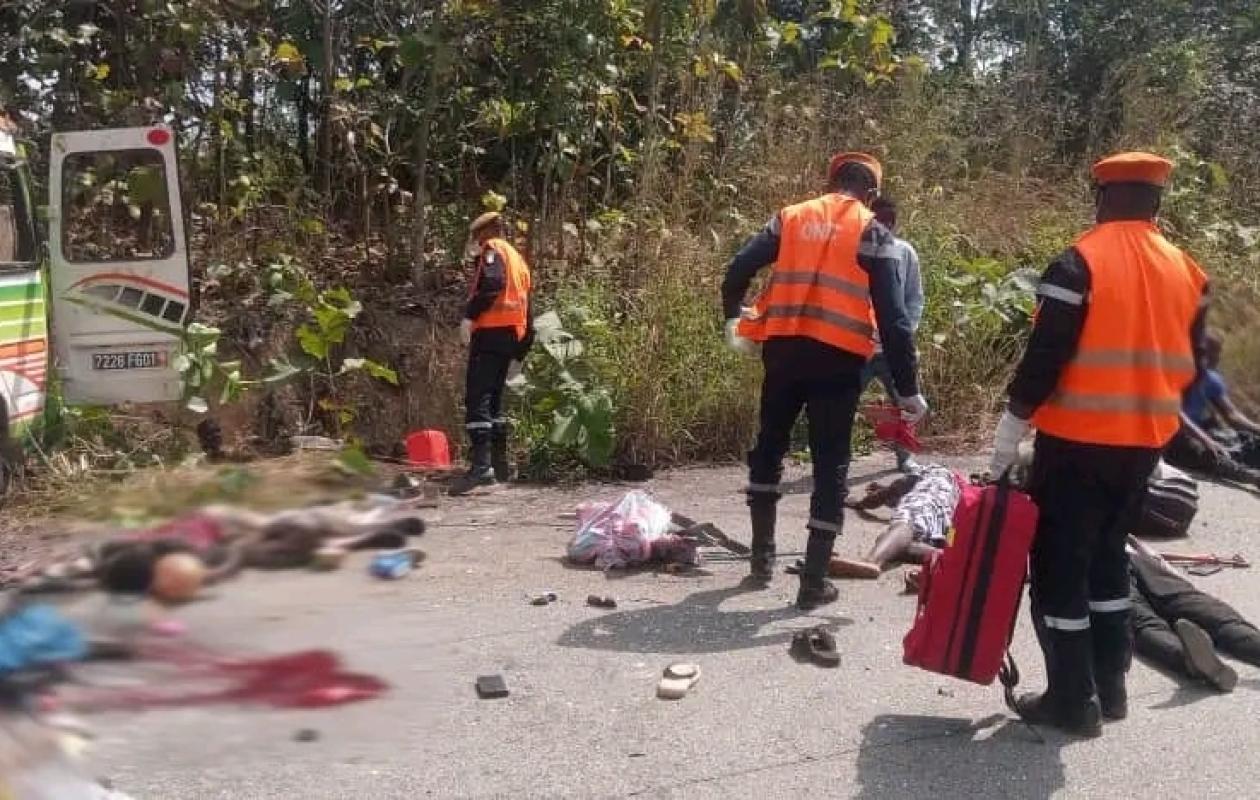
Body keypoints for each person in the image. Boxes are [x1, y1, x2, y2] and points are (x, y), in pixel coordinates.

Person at [986, 152, 1211, 737]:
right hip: (1142, 449)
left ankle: (1070, 700)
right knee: (1109, 563)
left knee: (1060, 569)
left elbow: (1045, 357)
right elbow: (1197, 360)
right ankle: (1111, 690)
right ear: (1156, 203)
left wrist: (1010, 431)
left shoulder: (1079, 261)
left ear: (1102, 197)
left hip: (1077, 444)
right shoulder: (1186, 269)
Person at [721, 152, 928, 610]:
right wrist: (908, 389)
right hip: (838, 362)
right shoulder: (873, 230)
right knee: (830, 465)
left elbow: (738, 268)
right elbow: (895, 320)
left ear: (830, 179)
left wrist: (733, 320)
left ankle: (761, 561)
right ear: (871, 193)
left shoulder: (791, 218)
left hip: (784, 353)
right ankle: (813, 581)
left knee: (769, 448)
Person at [449, 212, 534, 496]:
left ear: (484, 233)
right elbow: (527, 309)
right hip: (510, 338)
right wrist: (521, 352)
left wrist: (470, 318)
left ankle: (482, 469)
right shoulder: (518, 260)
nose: (475, 243)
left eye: (476, 237)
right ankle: (499, 467)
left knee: (479, 397)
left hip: (490, 335)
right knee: (495, 402)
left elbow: (492, 284)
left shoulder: (493, 251)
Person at [1126, 538, 1248, 693]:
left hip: (1108, 561)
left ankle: (1191, 662)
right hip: (1125, 557)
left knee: (1144, 622)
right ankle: (1197, 661)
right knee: (1195, 605)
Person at [859, 197, 925, 474]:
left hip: (893, 351)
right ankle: (830, 458)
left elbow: (914, 298)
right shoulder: (856, 250)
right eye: (879, 221)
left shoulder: (905, 252)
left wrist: (903, 334)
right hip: (859, 347)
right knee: (839, 402)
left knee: (905, 404)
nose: (885, 226)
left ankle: (904, 456)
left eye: (890, 221)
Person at [828, 463, 959, 578]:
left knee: (905, 524)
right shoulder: (960, 491)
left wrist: (860, 504)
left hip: (926, 503)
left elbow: (894, 489)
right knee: (887, 541)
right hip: (947, 525)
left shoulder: (933, 471)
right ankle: (945, 557)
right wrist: (950, 546)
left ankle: (871, 562)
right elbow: (953, 527)